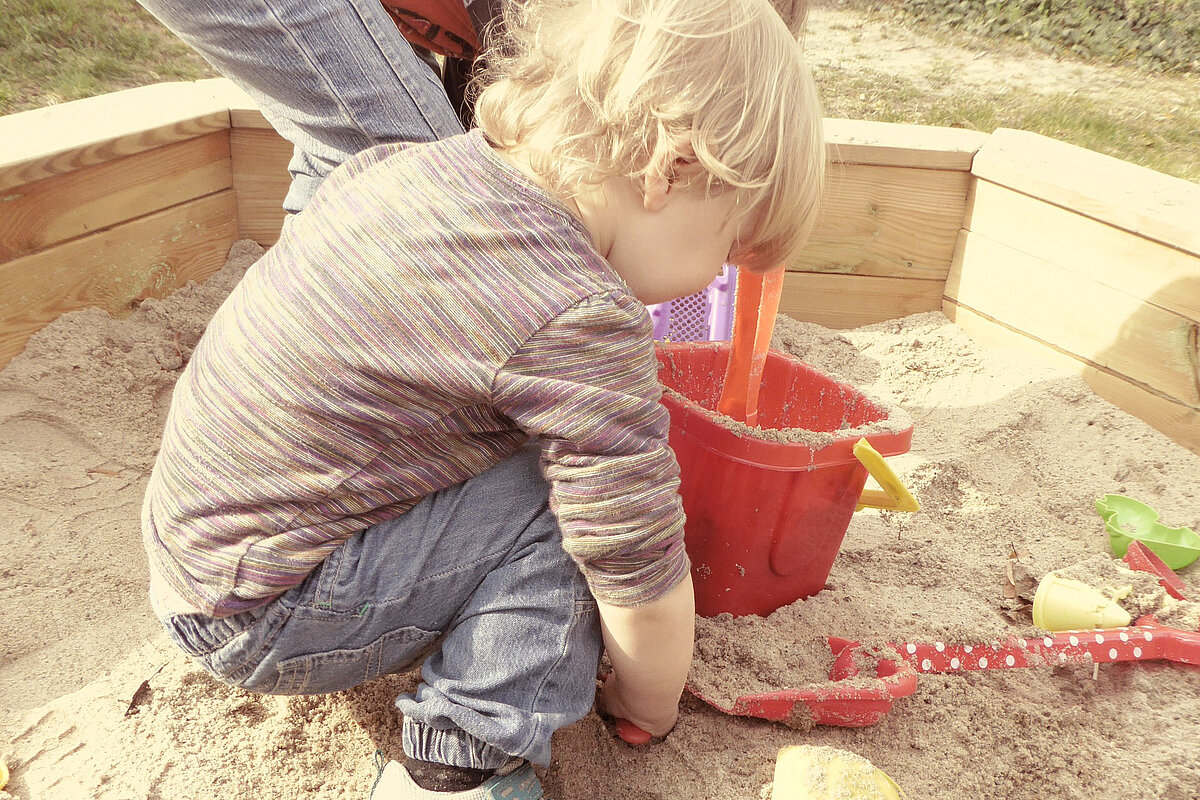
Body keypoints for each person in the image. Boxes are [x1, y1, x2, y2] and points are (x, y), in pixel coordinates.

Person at [140, 0, 825, 797]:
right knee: (569, 512)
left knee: (556, 459)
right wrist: (651, 694)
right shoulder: (579, 310)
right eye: (725, 245)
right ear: (668, 169)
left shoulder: (413, 167)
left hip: (198, 554)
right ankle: (461, 756)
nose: (715, 277)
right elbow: (634, 564)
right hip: (268, 611)